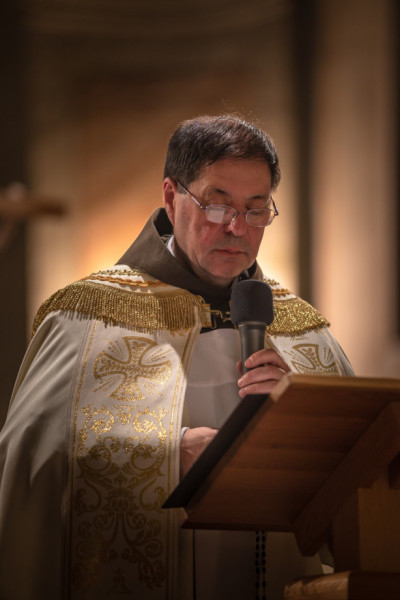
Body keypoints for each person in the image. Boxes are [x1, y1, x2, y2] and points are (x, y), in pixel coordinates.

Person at [0, 115, 353, 600]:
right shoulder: (85, 317)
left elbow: (362, 476)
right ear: (171, 196)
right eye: (217, 204)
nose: (237, 227)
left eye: (256, 209)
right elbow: (31, 465)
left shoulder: (302, 330)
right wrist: (167, 457)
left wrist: (302, 416)